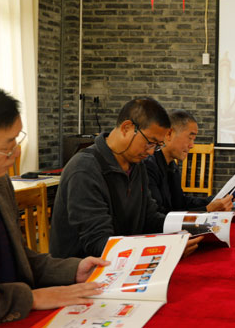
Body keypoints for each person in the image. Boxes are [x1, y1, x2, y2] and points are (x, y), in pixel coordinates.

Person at [0, 86, 109, 325]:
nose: (16, 153)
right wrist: (32, 298)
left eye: (18, 139)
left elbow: (19, 257)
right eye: (8, 145)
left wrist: (73, 270)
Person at [50, 98, 201, 259]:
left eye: (157, 145)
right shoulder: (84, 169)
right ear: (126, 128)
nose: (151, 152)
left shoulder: (136, 165)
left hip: (124, 259)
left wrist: (195, 227)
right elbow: (98, 243)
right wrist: (164, 249)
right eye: (150, 142)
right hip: (84, 268)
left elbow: (149, 218)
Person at [144, 109, 233, 214]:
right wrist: (207, 210)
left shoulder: (171, 165)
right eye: (190, 138)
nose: (192, 145)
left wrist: (213, 201)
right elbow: (159, 215)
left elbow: (180, 202)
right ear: (169, 134)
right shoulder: (148, 167)